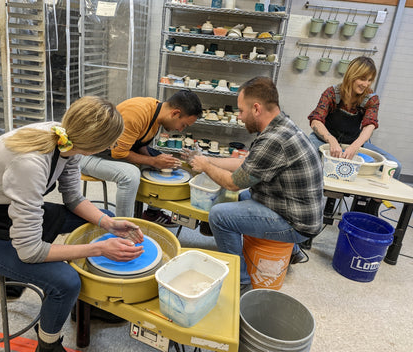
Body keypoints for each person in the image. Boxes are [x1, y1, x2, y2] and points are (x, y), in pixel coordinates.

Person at [0, 96, 145, 352]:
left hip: (5, 213)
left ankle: (85, 307)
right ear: (94, 147)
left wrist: (108, 223)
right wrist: (99, 249)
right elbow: (30, 251)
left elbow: (74, 198)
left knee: (98, 217)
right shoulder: (31, 163)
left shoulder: (66, 138)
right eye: (111, 143)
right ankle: (48, 344)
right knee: (66, 282)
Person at [184, 77, 323, 294]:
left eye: (241, 110)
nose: (239, 117)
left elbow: (232, 183)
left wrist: (205, 167)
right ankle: (292, 252)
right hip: (293, 209)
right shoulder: (281, 124)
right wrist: (208, 160)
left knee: (219, 216)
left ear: (256, 108)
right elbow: (246, 164)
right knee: (244, 198)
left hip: (297, 224)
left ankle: (240, 282)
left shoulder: (273, 140)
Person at [80, 90, 202, 226]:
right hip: (89, 155)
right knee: (130, 175)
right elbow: (118, 153)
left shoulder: (158, 115)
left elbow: (139, 145)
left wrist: (157, 161)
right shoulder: (137, 113)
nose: (180, 130)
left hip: (113, 151)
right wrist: (154, 161)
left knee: (167, 161)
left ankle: (152, 213)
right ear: (175, 113)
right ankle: (123, 227)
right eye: (183, 125)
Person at [307, 56, 401, 218]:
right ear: (351, 75)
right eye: (362, 78)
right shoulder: (331, 93)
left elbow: (369, 125)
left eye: (370, 80)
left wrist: (355, 146)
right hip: (325, 139)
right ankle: (307, 203)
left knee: (395, 166)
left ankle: (371, 208)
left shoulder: (371, 99)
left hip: (353, 142)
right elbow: (316, 120)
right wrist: (331, 140)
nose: (366, 84)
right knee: (304, 154)